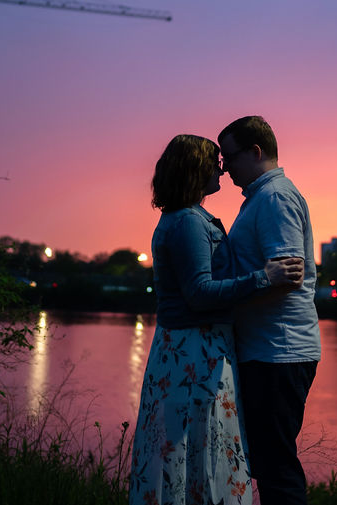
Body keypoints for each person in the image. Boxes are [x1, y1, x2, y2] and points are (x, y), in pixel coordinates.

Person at [129, 134, 304, 505]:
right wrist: (264, 277)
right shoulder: (189, 222)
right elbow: (199, 293)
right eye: (214, 162)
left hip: (193, 349)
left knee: (192, 451)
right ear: (195, 169)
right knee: (197, 450)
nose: (221, 168)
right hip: (194, 352)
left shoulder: (185, 218)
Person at [217, 116, 320, 505]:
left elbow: (287, 274)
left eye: (230, 158)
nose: (225, 169)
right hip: (267, 349)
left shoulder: (275, 198)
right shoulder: (262, 198)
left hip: (279, 351)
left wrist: (223, 296)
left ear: (256, 152)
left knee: (276, 465)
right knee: (267, 461)